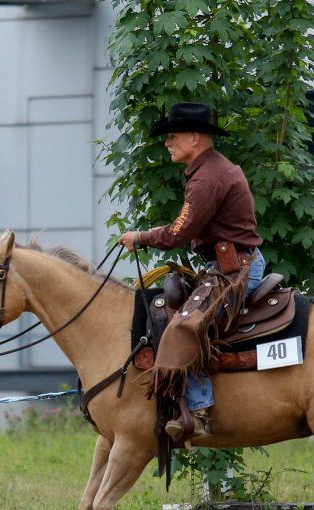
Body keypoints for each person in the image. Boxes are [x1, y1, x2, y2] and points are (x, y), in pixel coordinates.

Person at [119, 101, 264, 441]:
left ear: (195, 137)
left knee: (185, 326)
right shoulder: (210, 171)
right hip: (229, 265)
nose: (168, 143)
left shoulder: (208, 179)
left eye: (173, 136)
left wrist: (140, 237)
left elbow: (178, 233)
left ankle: (198, 412)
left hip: (235, 270)